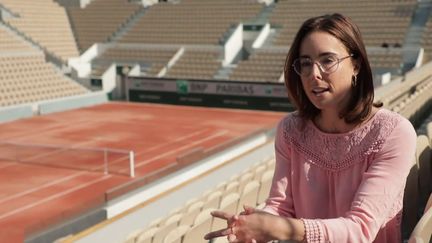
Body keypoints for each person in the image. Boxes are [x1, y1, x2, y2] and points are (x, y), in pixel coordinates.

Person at [204, 13, 417, 243]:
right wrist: (253, 228)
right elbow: (281, 206)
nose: (313, 74)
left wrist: (277, 227)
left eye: (327, 60)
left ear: (356, 65)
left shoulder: (393, 132)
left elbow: (360, 230)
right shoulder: (290, 130)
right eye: (305, 63)